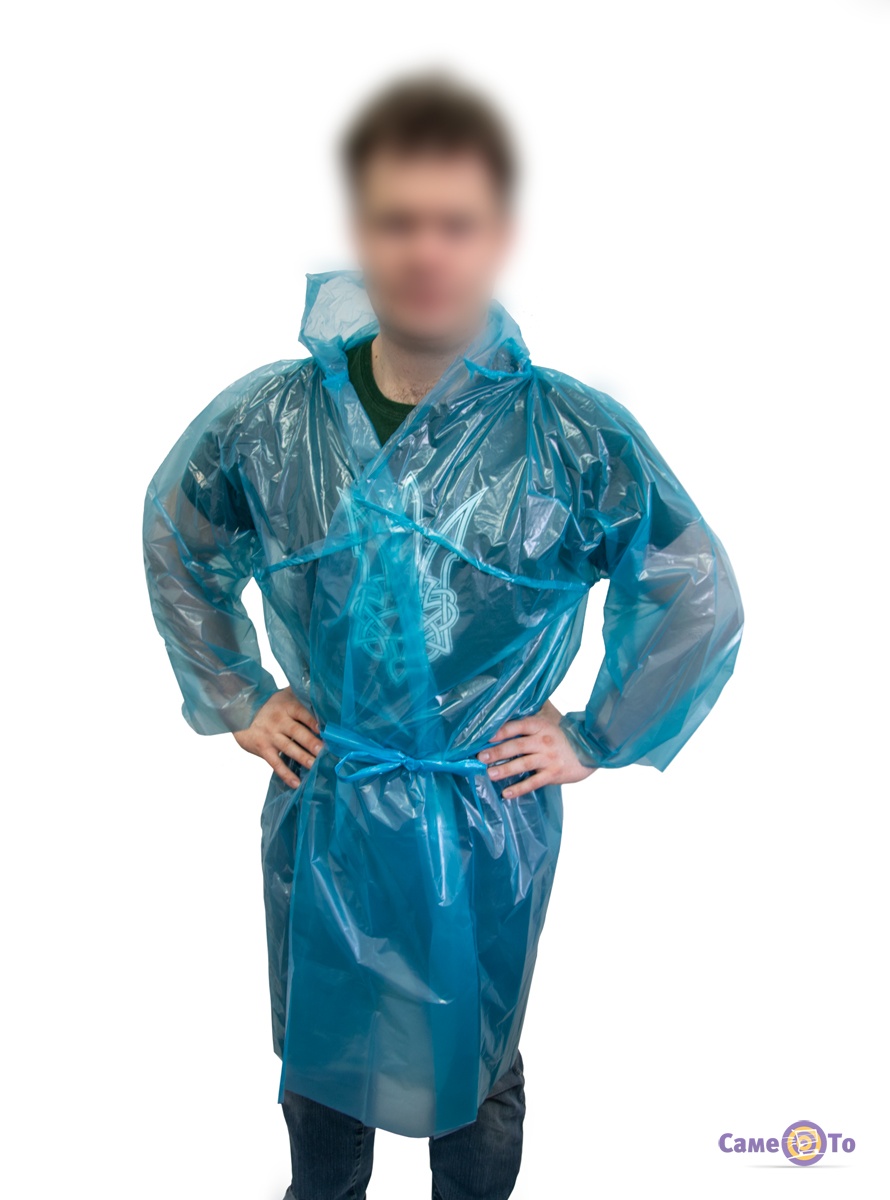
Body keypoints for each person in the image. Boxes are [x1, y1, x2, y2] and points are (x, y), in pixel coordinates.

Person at [142, 71, 744, 1200]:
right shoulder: (272, 420)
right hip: (330, 795)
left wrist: (595, 734)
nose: (425, 251)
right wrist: (237, 694)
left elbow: (693, 590)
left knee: (477, 1057)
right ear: (362, 234)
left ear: (496, 238)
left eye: (455, 224)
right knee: (322, 1056)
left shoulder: (568, 433)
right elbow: (180, 538)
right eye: (397, 221)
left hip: (481, 815)